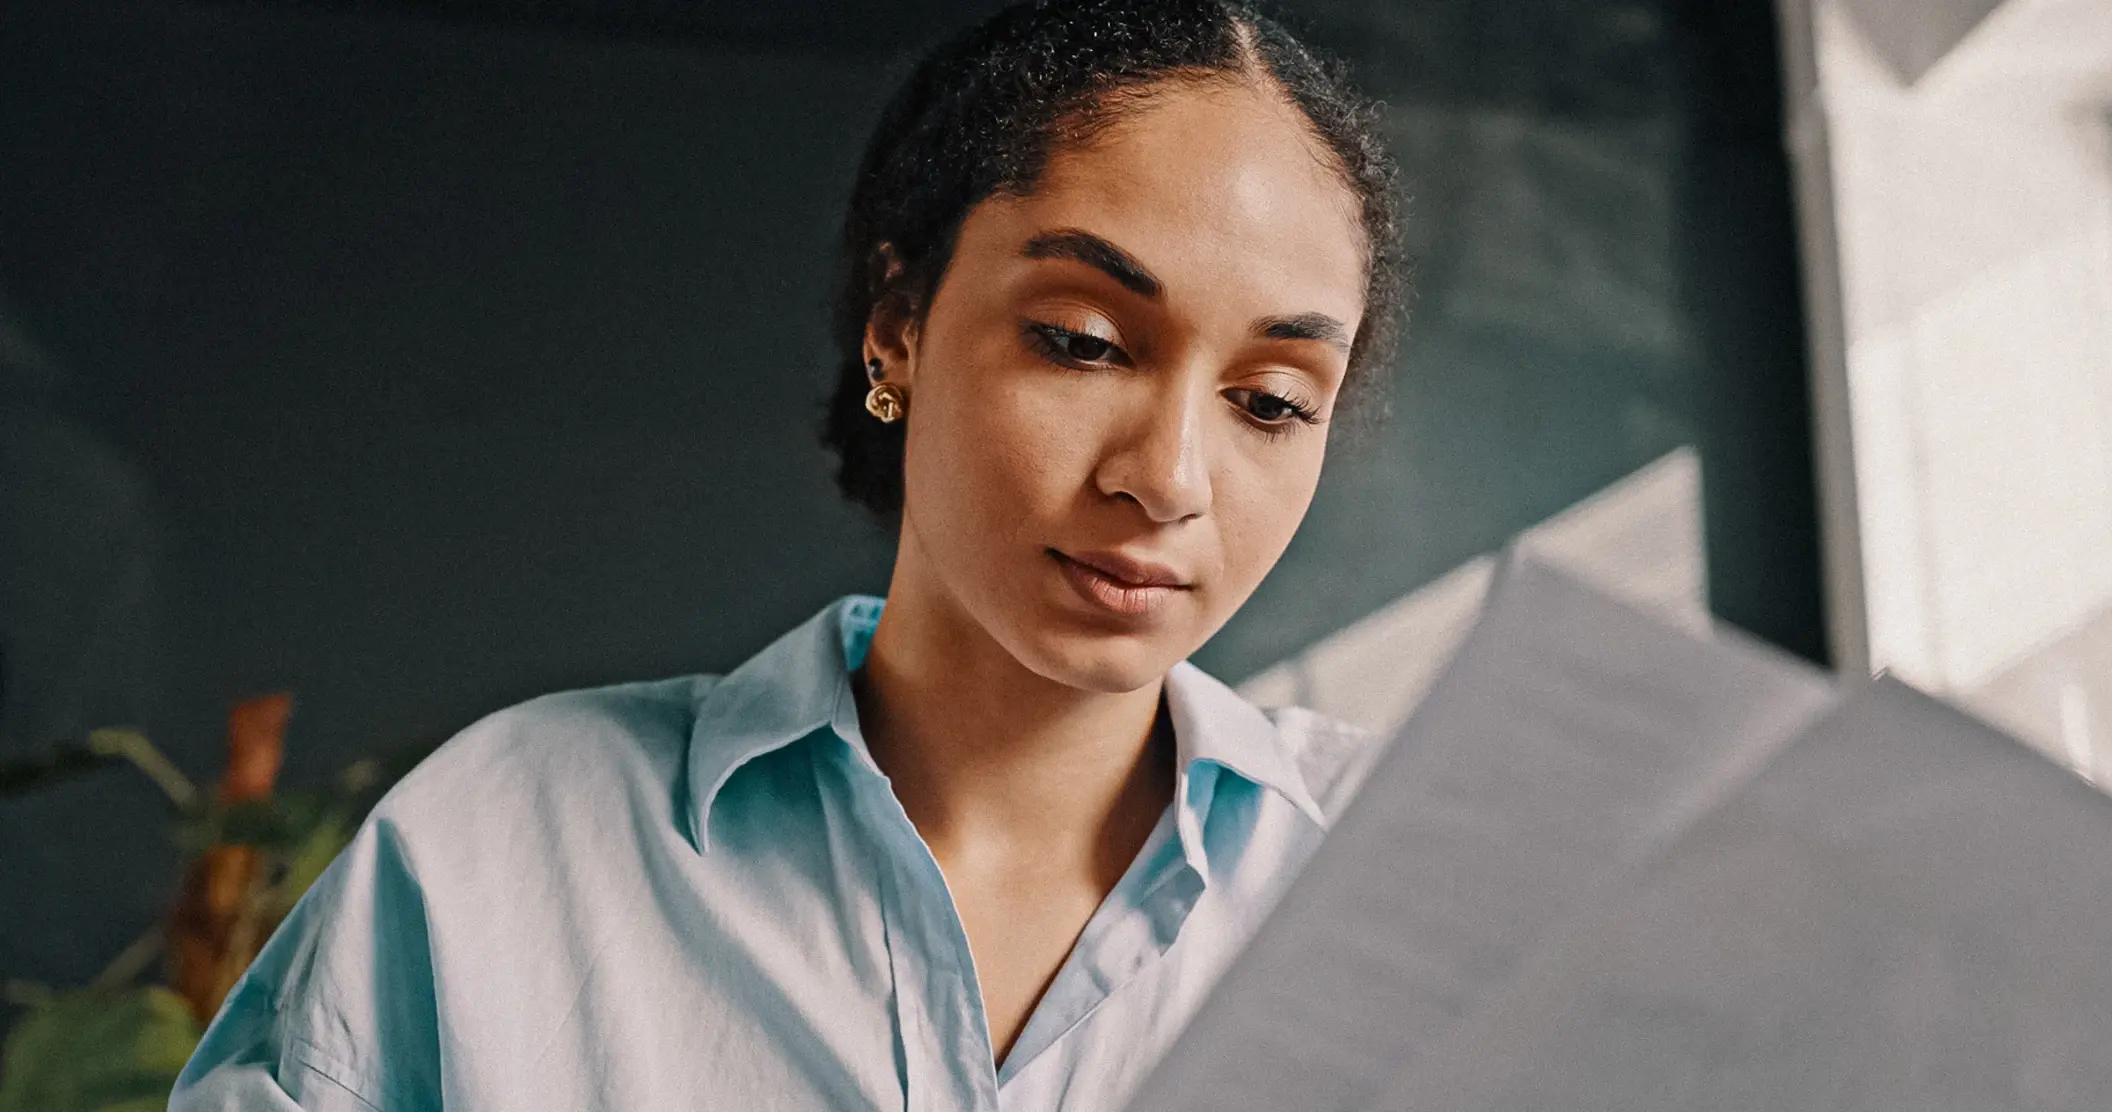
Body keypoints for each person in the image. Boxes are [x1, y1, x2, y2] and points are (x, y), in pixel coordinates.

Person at [170, 0, 1409, 1107]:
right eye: (1083, 340)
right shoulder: (506, 844)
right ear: (899, 326)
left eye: (1272, 400)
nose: (1169, 476)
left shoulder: (1409, 875)